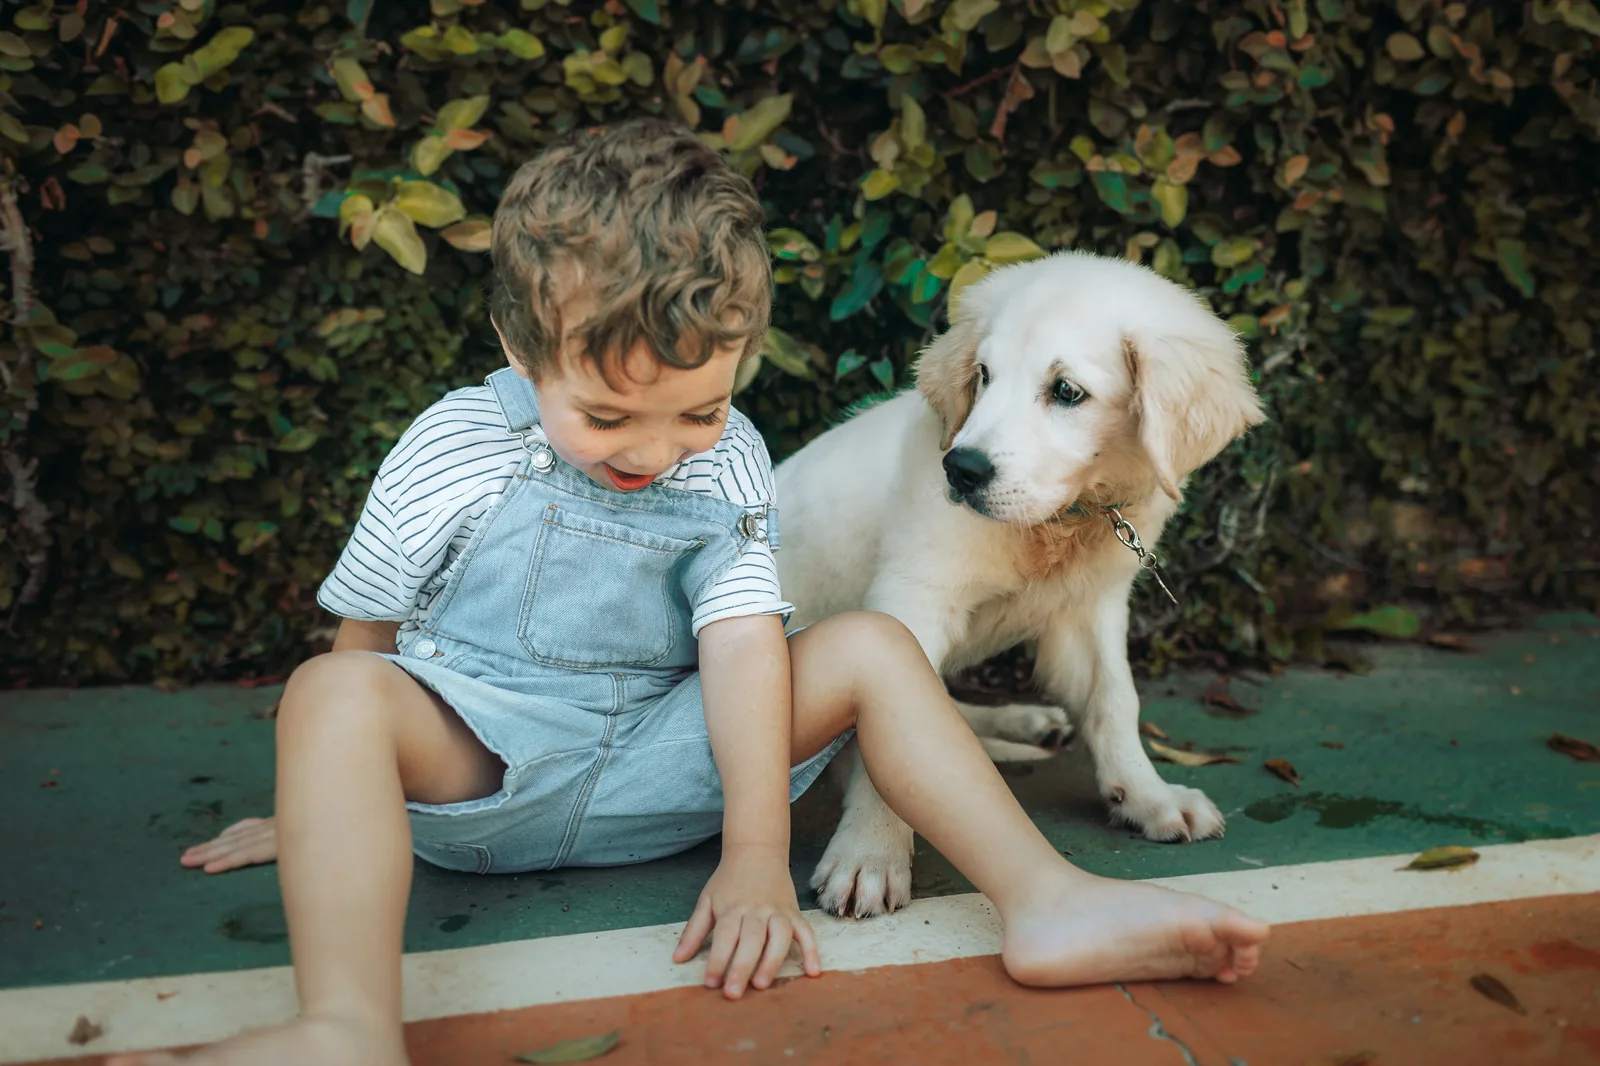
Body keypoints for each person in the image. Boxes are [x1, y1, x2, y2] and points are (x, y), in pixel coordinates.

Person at [115, 119, 1268, 1066]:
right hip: (491, 761)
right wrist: (327, 795)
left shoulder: (729, 461)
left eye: (699, 409)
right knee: (331, 693)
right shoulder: (450, 446)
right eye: (609, 416)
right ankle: (349, 1027)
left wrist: (757, 853)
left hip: (681, 766)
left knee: (871, 641)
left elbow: (741, 643)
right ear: (521, 351)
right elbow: (367, 632)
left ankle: (1048, 898)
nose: (658, 448)